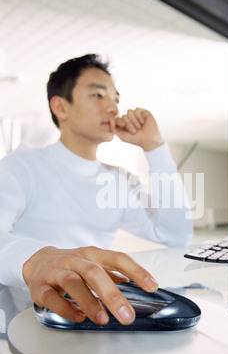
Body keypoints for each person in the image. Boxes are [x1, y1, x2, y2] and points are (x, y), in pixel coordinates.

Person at [0, 54, 193, 327]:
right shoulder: (21, 166)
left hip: (95, 315)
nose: (113, 108)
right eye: (98, 96)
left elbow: (176, 234)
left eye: (115, 99)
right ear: (61, 107)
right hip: (29, 320)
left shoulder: (118, 180)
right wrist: (35, 260)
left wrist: (155, 147)